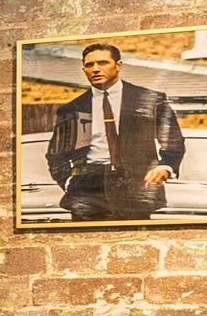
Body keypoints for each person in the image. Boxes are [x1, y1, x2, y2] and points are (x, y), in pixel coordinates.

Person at [44, 40, 185, 220]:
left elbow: (173, 141)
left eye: (102, 63)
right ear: (83, 70)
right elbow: (56, 154)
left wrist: (165, 166)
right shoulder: (72, 109)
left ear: (118, 65)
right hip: (88, 190)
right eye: (89, 65)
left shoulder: (149, 100)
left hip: (135, 186)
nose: (95, 69)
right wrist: (69, 182)